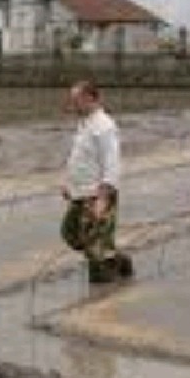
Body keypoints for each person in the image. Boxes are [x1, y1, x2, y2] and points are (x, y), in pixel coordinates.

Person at [61, 80, 134, 284]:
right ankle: (117, 259)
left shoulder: (105, 126)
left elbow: (112, 162)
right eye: (72, 100)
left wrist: (104, 196)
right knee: (70, 233)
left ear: (91, 99)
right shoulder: (85, 123)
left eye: (76, 100)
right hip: (79, 192)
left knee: (95, 248)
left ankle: (101, 295)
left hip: (97, 194)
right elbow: (80, 158)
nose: (72, 104)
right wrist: (68, 184)